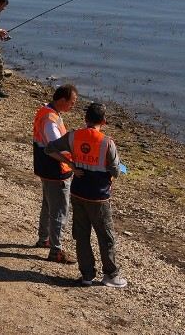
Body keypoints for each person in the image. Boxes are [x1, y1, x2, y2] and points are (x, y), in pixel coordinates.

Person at [44, 102, 127, 288]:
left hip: (78, 192)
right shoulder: (107, 142)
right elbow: (115, 171)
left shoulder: (74, 136)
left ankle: (87, 275)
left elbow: (49, 149)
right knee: (105, 237)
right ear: (104, 121)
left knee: (81, 235)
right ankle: (111, 275)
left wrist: (71, 164)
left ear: (85, 118)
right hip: (99, 196)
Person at [33, 84, 78, 263]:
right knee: (59, 210)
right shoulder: (50, 120)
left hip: (45, 169)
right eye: (72, 103)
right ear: (61, 100)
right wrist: (70, 163)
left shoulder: (47, 111)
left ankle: (44, 238)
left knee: (47, 205)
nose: (73, 106)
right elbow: (53, 148)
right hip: (56, 171)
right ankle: (56, 250)